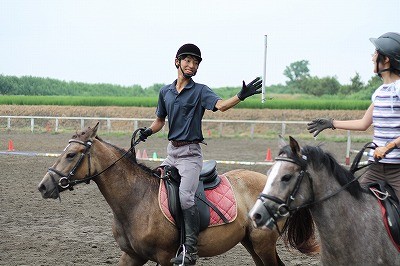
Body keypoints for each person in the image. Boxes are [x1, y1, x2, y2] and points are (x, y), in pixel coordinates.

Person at [138, 43, 262, 265]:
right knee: (154, 189)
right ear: (177, 61)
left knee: (185, 197)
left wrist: (240, 96)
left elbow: (221, 106)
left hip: (190, 156)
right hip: (171, 153)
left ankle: (190, 249)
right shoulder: (165, 91)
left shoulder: (200, 91)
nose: (191, 65)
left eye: (195, 63)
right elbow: (159, 121)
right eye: (187, 60)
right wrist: (147, 131)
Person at [307, 32, 400, 199]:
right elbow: (364, 123)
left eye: (375, 54)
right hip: (376, 168)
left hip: (397, 170)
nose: (372, 58)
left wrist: (388, 146)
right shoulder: (379, 92)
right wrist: (332, 123)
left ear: (386, 59)